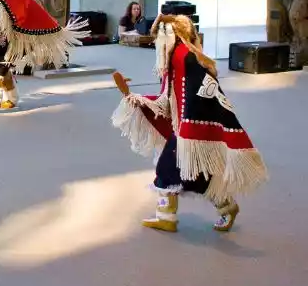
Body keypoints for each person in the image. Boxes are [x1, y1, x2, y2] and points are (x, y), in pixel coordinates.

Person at [111, 15, 268, 232]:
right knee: (196, 175)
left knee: (167, 168)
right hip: (185, 128)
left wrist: (189, 130)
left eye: (160, 36)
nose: (157, 42)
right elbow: (167, 101)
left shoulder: (186, 58)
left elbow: (204, 96)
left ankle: (166, 217)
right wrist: (136, 99)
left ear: (172, 35)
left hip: (192, 129)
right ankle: (226, 206)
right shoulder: (174, 60)